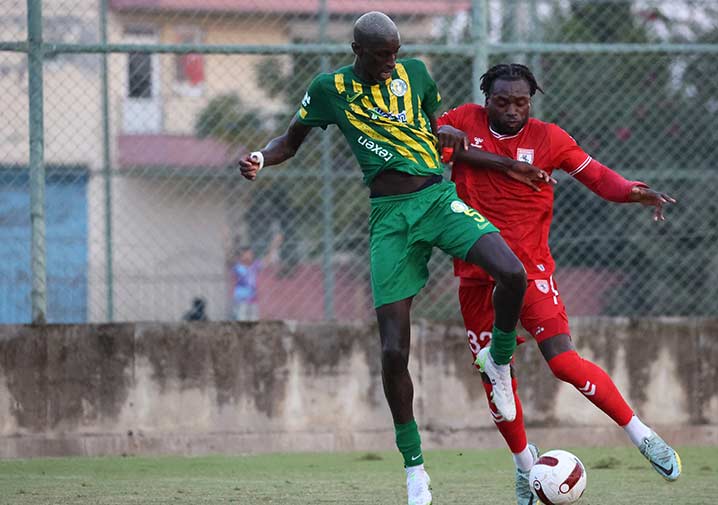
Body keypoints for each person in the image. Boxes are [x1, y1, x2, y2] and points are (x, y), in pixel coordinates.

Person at [237, 13, 550, 505]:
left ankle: (499, 358)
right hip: (389, 219)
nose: (392, 62)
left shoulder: (417, 76)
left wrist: (451, 140)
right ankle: (415, 470)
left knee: (511, 272)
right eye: (383, 54)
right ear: (358, 50)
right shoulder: (329, 89)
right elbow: (290, 141)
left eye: (396, 52)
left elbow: (439, 133)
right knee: (391, 351)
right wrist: (260, 156)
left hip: (437, 200)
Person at [437, 63, 682, 504]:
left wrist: (633, 191)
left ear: (532, 100)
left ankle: (643, 436)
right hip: (475, 275)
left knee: (564, 364)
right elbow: (429, 142)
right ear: (485, 99)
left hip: (531, 272)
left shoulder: (550, 138)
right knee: (497, 379)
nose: (513, 110)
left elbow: (598, 177)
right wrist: (476, 153)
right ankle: (524, 467)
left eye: (522, 102)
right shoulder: (460, 121)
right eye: (502, 101)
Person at [229, 231, 282, 321]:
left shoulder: (254, 265)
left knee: (254, 322)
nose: (251, 255)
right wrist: (232, 241)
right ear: (241, 256)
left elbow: (268, 259)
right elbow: (230, 256)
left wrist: (274, 245)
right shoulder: (237, 266)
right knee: (242, 321)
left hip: (253, 300)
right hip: (241, 301)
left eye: (251, 253)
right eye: (248, 254)